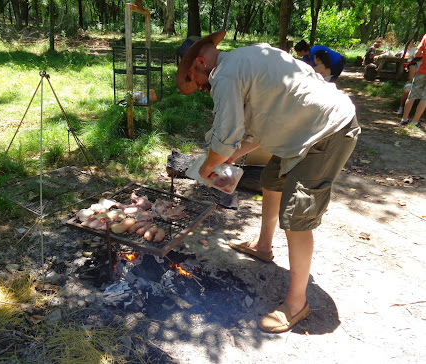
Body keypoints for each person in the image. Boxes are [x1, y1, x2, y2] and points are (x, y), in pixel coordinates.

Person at [176, 30, 360, 333]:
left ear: (200, 63)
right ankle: (263, 246)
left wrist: (209, 166)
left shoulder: (224, 76)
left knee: (296, 215)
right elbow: (253, 132)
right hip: (302, 129)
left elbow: (224, 139)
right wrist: (228, 158)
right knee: (272, 179)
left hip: (328, 131)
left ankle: (297, 303)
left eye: (194, 80)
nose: (198, 87)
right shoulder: (247, 56)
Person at [400, 33, 426, 128]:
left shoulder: (425, 37)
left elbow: (417, 53)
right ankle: (415, 121)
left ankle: (404, 119)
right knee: (425, 98)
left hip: (422, 71)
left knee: (412, 95)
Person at [397, 40, 421, 115]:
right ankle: (401, 108)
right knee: (407, 90)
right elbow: (411, 78)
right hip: (414, 83)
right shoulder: (414, 64)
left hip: (423, 84)